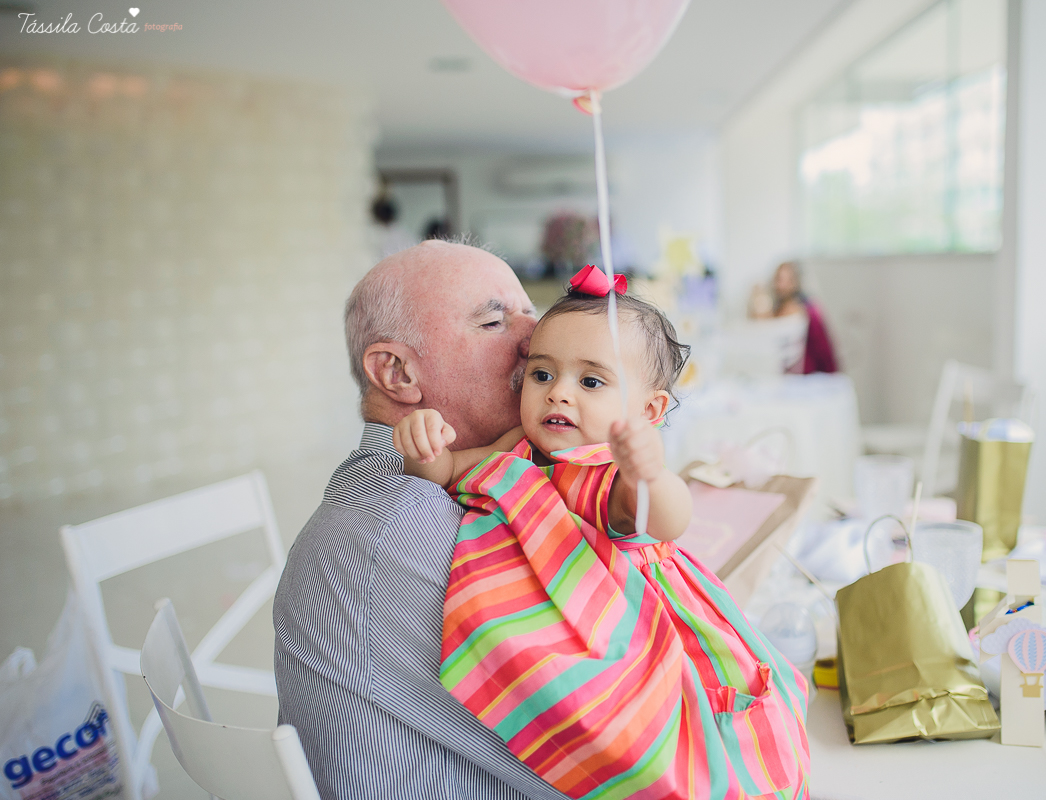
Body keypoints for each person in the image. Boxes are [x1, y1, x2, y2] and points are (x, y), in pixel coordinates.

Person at [393, 266, 810, 800]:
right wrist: (422, 449)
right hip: (560, 637)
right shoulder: (515, 448)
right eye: (542, 375)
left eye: (590, 381)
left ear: (649, 410)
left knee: (680, 745)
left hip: (637, 631)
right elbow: (444, 472)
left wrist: (650, 476)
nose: (557, 395)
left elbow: (669, 519)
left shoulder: (602, 469)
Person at [273, 240, 567, 800]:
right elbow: (602, 744)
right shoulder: (410, 525)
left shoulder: (443, 483)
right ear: (397, 372)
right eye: (494, 320)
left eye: (530, 310)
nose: (537, 335)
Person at [754, 261, 839, 375]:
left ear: (795, 281)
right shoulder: (785, 305)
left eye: (785, 280)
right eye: (778, 279)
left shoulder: (801, 309)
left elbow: (767, 325)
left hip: (808, 373)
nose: (780, 285)